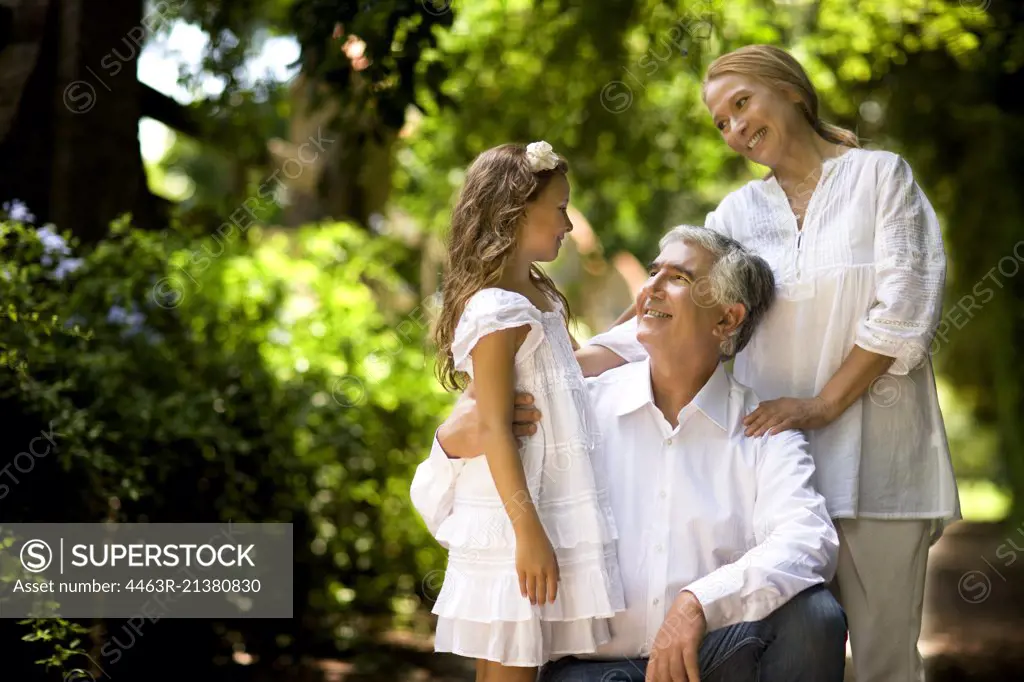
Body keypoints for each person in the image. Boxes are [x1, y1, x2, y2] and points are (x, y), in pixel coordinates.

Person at [589, 45, 960, 682]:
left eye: (741, 104)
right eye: (720, 122)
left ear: (790, 90)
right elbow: (676, 303)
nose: (734, 128)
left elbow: (905, 310)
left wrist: (821, 406)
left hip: (881, 465)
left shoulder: (881, 178)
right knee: (786, 652)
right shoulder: (736, 215)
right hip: (766, 467)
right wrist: (564, 364)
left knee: (883, 664)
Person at [413, 225, 848, 682]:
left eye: (678, 278)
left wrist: (699, 602)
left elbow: (809, 540)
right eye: (653, 272)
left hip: (706, 665)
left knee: (814, 617)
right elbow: (442, 512)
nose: (650, 288)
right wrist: (450, 447)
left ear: (726, 320)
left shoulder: (764, 432)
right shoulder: (575, 408)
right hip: (590, 673)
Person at [413, 140, 625, 682]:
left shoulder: (539, 297)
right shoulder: (495, 310)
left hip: (539, 505)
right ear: (515, 211)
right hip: (516, 516)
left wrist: (641, 331)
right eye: (559, 209)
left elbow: (570, 370)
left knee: (514, 664)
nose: (569, 225)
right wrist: (528, 532)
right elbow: (493, 427)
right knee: (511, 665)